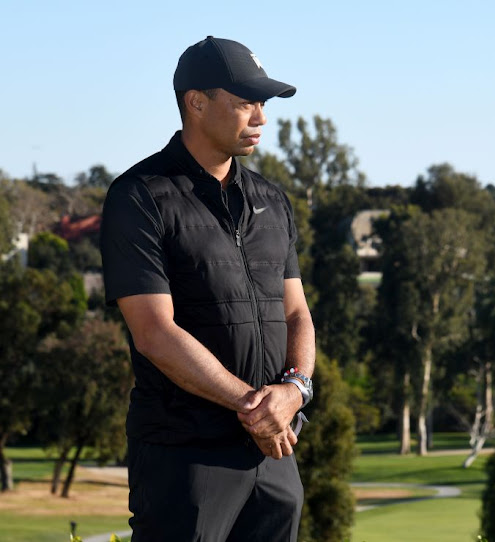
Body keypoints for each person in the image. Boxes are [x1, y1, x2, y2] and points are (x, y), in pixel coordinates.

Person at [100, 36, 315, 542]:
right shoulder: (139, 196)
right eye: (244, 103)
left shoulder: (271, 199)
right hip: (185, 457)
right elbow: (154, 332)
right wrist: (255, 408)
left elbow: (297, 314)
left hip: (272, 454)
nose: (260, 117)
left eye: (262, 104)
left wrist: (294, 391)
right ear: (196, 103)